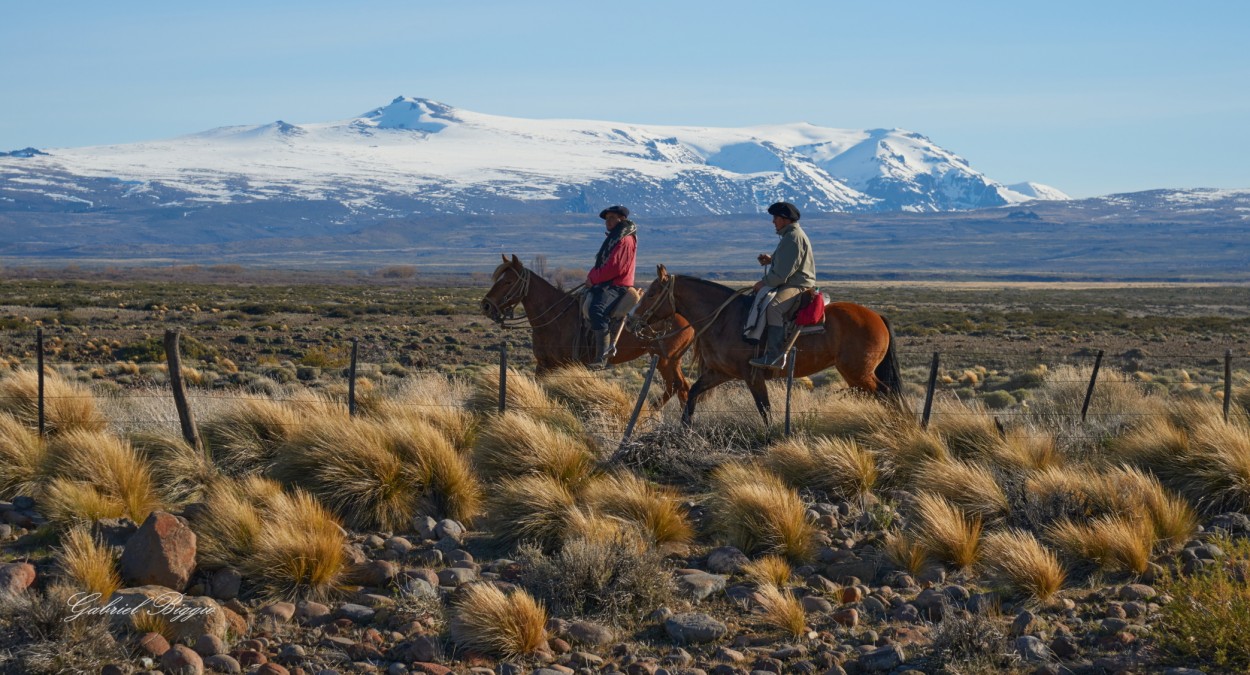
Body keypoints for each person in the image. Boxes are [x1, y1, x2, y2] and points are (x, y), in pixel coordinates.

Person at [749, 201, 815, 370]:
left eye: (776, 218)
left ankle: (775, 356)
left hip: (797, 284)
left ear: (785, 219)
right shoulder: (790, 236)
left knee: (774, 308)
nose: (773, 222)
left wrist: (763, 283)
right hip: (794, 281)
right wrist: (772, 260)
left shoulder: (792, 238)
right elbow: (788, 262)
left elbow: (782, 275)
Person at [586, 205, 638, 369]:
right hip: (607, 283)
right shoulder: (615, 238)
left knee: (597, 310)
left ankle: (602, 358)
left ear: (621, 219)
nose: (607, 222)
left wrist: (593, 278)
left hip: (616, 286)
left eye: (611, 218)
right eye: (606, 219)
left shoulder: (624, 239)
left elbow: (616, 268)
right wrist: (591, 276)